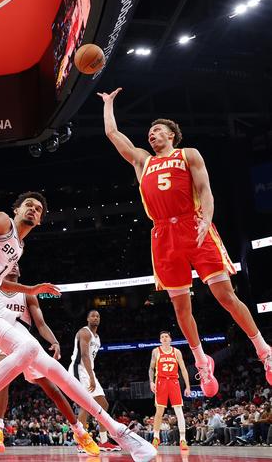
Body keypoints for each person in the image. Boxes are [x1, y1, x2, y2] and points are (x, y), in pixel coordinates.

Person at [0, 191, 156, 462]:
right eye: (28, 205)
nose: (33, 210)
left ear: (40, 220)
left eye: (39, 209)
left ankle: (120, 432)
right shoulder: (2, 221)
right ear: (16, 209)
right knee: (28, 346)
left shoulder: (19, 248)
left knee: (53, 369)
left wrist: (30, 288)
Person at [98, 88, 271, 391]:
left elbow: (205, 190)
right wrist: (109, 104)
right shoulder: (142, 161)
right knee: (180, 308)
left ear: (171, 135)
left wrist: (207, 217)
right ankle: (202, 363)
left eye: (157, 130)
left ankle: (264, 350)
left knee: (225, 295)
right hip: (163, 234)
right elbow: (113, 134)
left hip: (194, 225)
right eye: (149, 132)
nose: (151, 135)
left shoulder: (188, 154)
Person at [0, 265, 99, 456]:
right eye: (10, 263)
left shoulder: (27, 295)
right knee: (2, 368)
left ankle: (79, 431)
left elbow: (41, 324)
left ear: (20, 272)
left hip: (24, 341)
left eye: (18, 265)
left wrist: (54, 341)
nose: (14, 265)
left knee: (51, 388)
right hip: (1, 339)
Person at [69, 310, 119, 452]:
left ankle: (103, 441)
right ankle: (81, 442)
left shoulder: (97, 338)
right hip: (78, 370)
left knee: (103, 404)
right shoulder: (84, 332)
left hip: (89, 371)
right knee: (85, 404)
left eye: (97, 316)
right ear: (87, 319)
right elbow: (84, 355)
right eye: (93, 316)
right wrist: (91, 377)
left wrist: (91, 375)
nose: (95, 318)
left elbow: (90, 359)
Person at [148, 331, 191, 452]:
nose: (164, 338)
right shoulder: (156, 351)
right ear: (160, 340)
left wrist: (187, 386)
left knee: (178, 409)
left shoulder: (176, 352)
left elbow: (183, 369)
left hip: (174, 382)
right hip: (161, 381)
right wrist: (151, 382)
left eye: (166, 336)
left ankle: (183, 439)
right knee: (159, 410)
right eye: (162, 337)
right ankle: (156, 437)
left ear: (170, 339)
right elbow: (151, 368)